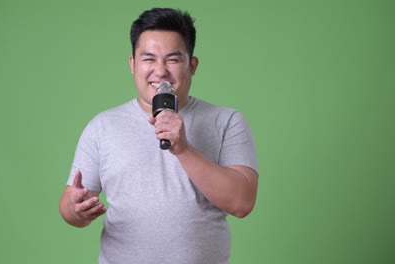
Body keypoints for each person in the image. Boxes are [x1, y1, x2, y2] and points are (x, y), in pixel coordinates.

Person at [59, 7, 259, 264]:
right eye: (149, 59)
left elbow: (241, 202)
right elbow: (69, 205)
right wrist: (76, 209)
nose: (160, 71)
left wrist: (184, 149)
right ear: (133, 64)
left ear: (192, 66)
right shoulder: (103, 126)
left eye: (173, 59)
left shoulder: (227, 121)